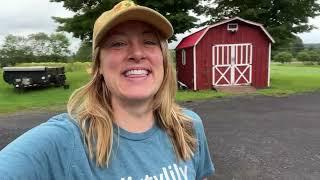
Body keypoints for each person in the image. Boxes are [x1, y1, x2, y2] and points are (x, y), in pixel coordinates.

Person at [0, 0, 214, 179]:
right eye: (118, 43)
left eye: (149, 41)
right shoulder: (65, 140)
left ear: (164, 61)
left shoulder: (188, 126)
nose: (137, 53)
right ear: (98, 66)